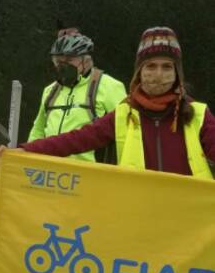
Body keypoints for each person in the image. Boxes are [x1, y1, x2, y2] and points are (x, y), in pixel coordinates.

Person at [13, 27, 215, 178]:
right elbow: (77, 139)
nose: (158, 74)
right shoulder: (124, 113)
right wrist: (25, 150)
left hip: (188, 220)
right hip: (136, 213)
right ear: (139, 72)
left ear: (177, 73)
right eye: (150, 66)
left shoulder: (198, 114)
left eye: (167, 67)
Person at [28, 28, 127, 162]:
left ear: (86, 61)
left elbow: (125, 133)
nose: (63, 65)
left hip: (89, 174)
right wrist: (29, 158)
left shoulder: (109, 86)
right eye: (58, 61)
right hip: (49, 171)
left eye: (69, 60)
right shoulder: (50, 91)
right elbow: (38, 130)